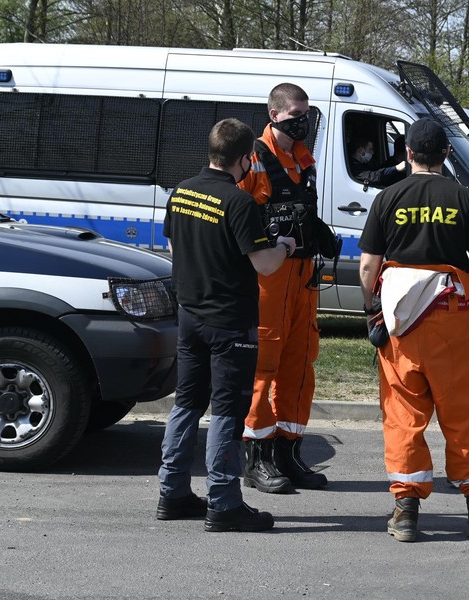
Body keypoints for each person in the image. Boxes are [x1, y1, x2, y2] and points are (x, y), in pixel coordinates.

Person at [358, 118, 469, 543]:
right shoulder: (463, 198)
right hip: (452, 318)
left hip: (402, 324)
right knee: (464, 413)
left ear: (408, 153)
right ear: (446, 154)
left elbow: (369, 265)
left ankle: (406, 510)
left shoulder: (388, 197)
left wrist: (372, 308)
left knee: (405, 413)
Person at [156, 117, 297, 533]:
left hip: (190, 314)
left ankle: (173, 492)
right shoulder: (239, 203)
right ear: (245, 158)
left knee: (186, 403)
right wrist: (285, 246)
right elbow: (266, 264)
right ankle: (224, 501)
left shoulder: (181, 193)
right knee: (226, 412)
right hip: (230, 322)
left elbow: (173, 244)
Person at [238, 83, 333, 494]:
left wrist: (318, 232)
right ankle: (256, 457)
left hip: (302, 279)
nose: (303, 121)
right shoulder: (255, 160)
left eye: (307, 114)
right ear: (274, 114)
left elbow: (301, 210)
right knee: (265, 366)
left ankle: (288, 452)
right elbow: (237, 219)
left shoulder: (304, 160)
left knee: (300, 366)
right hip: (268, 280)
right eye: (296, 114)